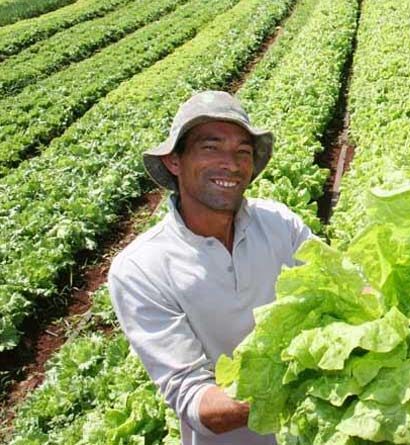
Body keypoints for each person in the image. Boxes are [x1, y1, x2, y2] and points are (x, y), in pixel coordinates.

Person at [108, 91, 311, 445]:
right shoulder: (141, 269)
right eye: (210, 147)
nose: (230, 164)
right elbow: (198, 403)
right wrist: (310, 376)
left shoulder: (281, 223)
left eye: (242, 152)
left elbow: (345, 289)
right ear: (174, 161)